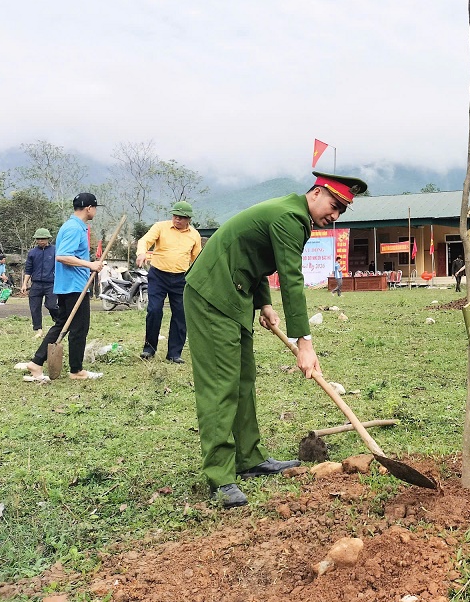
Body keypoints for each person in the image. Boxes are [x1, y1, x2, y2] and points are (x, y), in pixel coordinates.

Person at [184, 170, 368, 508]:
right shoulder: (290, 217)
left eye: (342, 210)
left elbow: (253, 258)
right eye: (333, 204)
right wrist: (305, 343)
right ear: (315, 193)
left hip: (236, 294)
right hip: (213, 296)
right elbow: (291, 275)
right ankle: (221, 478)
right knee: (220, 385)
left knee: (243, 379)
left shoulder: (293, 216)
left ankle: (249, 459)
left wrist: (264, 303)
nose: (335, 214)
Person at [15, 193, 105, 382]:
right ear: (89, 208)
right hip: (74, 286)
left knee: (62, 324)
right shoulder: (74, 228)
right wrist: (91, 265)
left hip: (69, 285)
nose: (95, 211)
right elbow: (62, 256)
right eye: (95, 208)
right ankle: (76, 371)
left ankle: (36, 363)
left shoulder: (74, 226)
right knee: (79, 328)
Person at [136, 201, 203, 364]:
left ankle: (174, 353)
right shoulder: (160, 227)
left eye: (180, 218)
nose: (176, 220)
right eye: (174, 216)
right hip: (158, 276)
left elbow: (197, 259)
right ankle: (149, 349)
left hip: (181, 278)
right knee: (154, 310)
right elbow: (144, 241)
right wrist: (141, 253)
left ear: (188, 219)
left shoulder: (194, 235)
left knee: (180, 314)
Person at [21, 228, 59, 339]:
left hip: (51, 283)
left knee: (51, 305)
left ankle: (58, 321)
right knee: (34, 307)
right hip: (36, 284)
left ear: (48, 239)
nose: (41, 241)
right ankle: (38, 329)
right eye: (38, 239)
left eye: (43, 239)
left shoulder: (55, 250)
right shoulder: (32, 252)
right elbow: (28, 269)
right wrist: (24, 284)